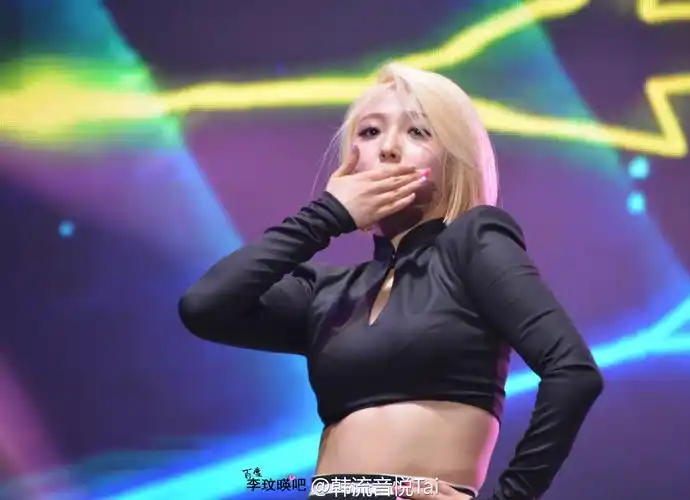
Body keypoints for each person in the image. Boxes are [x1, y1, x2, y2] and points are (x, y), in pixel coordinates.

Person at [178, 62, 604, 500]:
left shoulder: (472, 242)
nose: (388, 148)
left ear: (454, 158)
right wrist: (325, 215)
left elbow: (572, 372)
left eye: (417, 131)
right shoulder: (331, 293)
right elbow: (204, 306)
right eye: (369, 132)